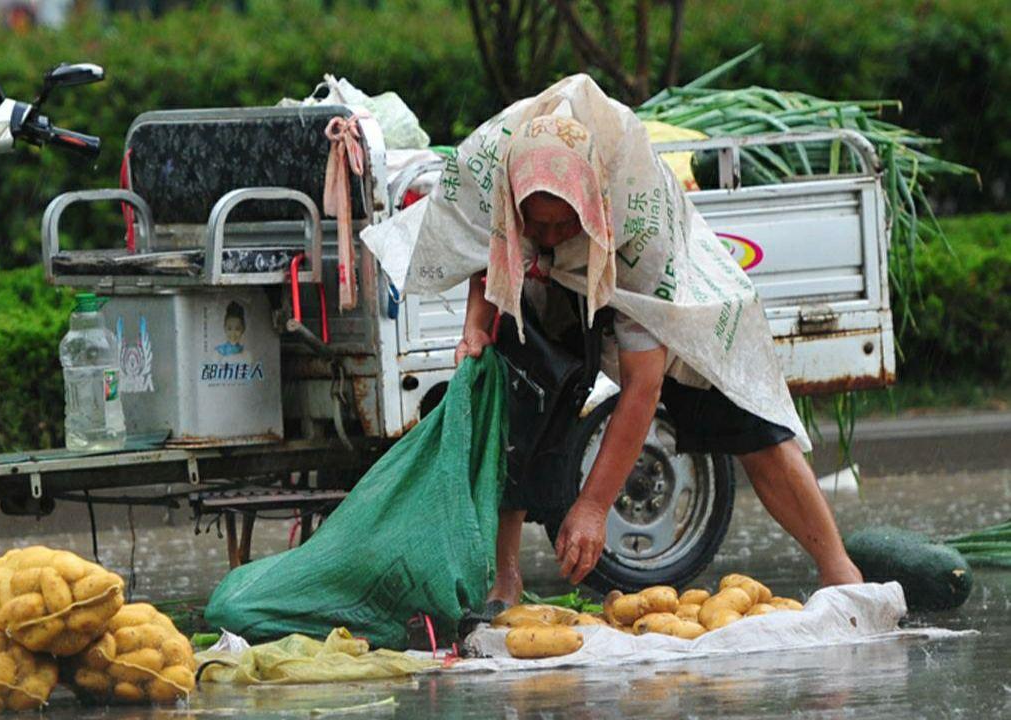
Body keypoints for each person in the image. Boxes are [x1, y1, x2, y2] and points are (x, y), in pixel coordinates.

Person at [362, 76, 862, 603]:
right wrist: (475, 328)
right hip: (544, 288)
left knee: (748, 421)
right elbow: (484, 247)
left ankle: (840, 572)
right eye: (539, 224)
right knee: (514, 395)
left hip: (654, 292)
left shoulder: (638, 225)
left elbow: (643, 387)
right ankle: (503, 577)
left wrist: (595, 506)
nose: (551, 235)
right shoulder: (492, 167)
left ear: (590, 206)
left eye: (563, 224)